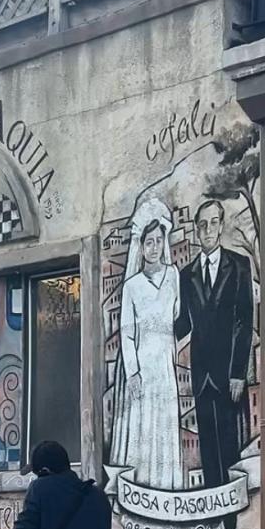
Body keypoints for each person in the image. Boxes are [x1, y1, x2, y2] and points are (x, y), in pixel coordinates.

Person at [176, 200, 254, 529]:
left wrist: (238, 371)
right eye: (202, 225)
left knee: (229, 440)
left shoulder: (238, 266)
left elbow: (244, 319)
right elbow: (181, 324)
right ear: (196, 230)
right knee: (208, 444)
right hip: (201, 371)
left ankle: (234, 516)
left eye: (213, 223)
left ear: (221, 225)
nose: (207, 231)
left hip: (228, 372)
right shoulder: (186, 274)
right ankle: (215, 512)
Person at [109, 198, 183, 490]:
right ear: (140, 246)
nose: (154, 247)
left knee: (164, 424)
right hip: (142, 367)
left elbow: (177, 316)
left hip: (165, 365)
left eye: (158, 240)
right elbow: (127, 332)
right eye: (148, 242)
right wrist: (134, 372)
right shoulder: (132, 286)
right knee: (143, 426)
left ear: (165, 242)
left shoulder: (174, 276)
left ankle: (168, 487)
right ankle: (141, 489)